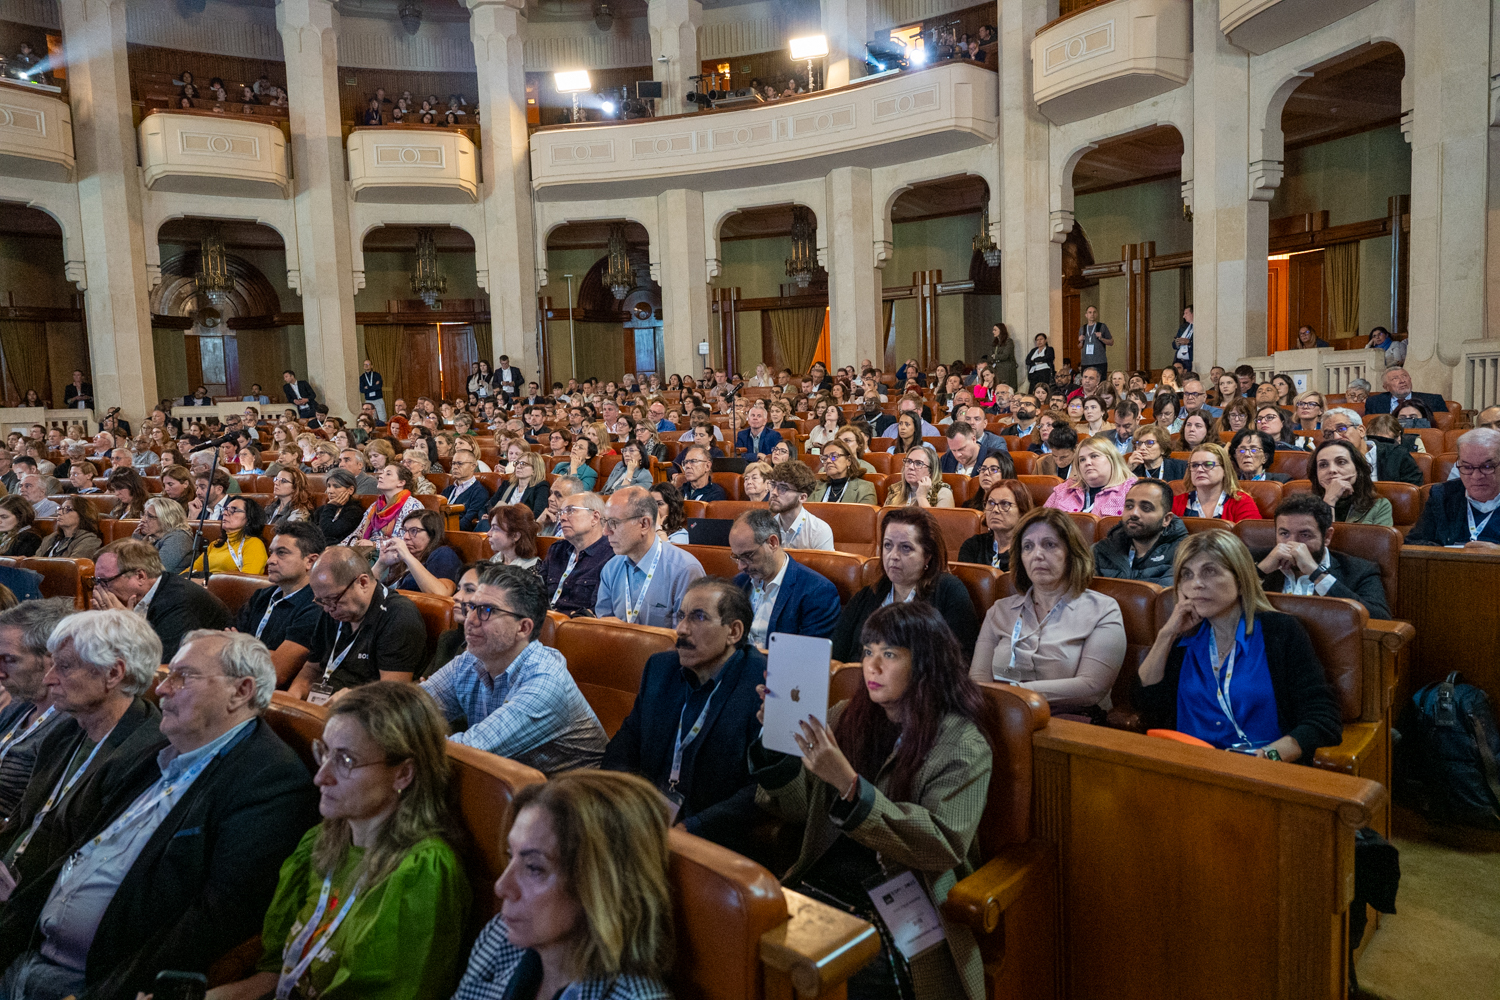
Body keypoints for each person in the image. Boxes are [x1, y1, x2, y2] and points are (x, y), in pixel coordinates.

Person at [0, 628, 320, 1000]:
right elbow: (76, 849)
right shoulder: (154, 753)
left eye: (182, 677)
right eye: (169, 676)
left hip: (96, 982)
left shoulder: (269, 781)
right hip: (31, 951)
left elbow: (213, 922)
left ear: (241, 691)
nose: (164, 689)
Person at [751, 601, 991, 1000]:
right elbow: (795, 809)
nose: (872, 666)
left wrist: (850, 786)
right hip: (828, 878)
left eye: (890, 654)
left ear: (926, 663)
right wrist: (774, 745)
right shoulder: (846, 715)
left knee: (850, 972)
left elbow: (941, 845)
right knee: (760, 946)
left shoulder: (962, 743)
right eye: (867, 651)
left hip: (910, 892)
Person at [216, 682, 470, 1000]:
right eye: (324, 752)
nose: (321, 776)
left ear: (403, 773)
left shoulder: (422, 872)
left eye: (346, 761)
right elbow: (276, 976)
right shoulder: (324, 841)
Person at [450, 770, 673, 1000]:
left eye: (534, 868)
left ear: (601, 886)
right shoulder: (500, 937)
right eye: (510, 856)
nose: (502, 887)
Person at [603, 574, 775, 861]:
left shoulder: (764, 686)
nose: (681, 629)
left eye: (698, 617)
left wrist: (690, 829)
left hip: (714, 839)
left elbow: (763, 791)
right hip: (644, 818)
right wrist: (631, 807)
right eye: (680, 616)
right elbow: (624, 745)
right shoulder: (660, 669)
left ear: (733, 632)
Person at [1134, 531, 1342, 759]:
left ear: (1241, 581)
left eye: (1209, 571)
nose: (1196, 584)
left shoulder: (1281, 632)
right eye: (1187, 575)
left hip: (1260, 772)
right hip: (1191, 766)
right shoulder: (1183, 638)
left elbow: (1323, 719)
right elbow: (1147, 704)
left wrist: (1267, 757)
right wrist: (1166, 635)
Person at [422, 564, 606, 772]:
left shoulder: (545, 681)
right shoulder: (470, 660)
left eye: (486, 611)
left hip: (572, 798)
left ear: (523, 627)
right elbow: (409, 710)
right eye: (472, 607)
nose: (470, 620)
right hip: (512, 789)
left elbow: (468, 753)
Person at [971, 507, 1126, 718]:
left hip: (1071, 724)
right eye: (1028, 547)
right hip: (1000, 718)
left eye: (1049, 545)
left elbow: (1092, 688)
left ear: (1071, 554)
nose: (1037, 555)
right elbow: (978, 680)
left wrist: (1017, 693)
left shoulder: (1103, 610)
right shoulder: (999, 610)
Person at [830, 507, 978, 661]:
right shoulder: (868, 595)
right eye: (888, 545)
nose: (893, 556)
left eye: (905, 548)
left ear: (927, 556)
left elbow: (960, 661)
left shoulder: (949, 591)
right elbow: (835, 656)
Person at [289, 546, 426, 703]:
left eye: (333, 599)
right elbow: (312, 668)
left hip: (366, 712)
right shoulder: (331, 608)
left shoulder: (399, 616)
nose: (327, 609)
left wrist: (352, 699)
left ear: (362, 582)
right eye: (321, 601)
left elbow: (392, 694)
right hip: (323, 706)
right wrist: (293, 697)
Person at [90, 539, 233, 659]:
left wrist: (125, 625)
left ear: (140, 576)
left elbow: (163, 661)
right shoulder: (132, 599)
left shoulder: (178, 600)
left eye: (105, 581)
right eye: (96, 581)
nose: (99, 589)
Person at [1255, 494, 1390, 620]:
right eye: (1284, 534)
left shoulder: (1359, 571)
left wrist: (1316, 573)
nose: (1293, 543)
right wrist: (1260, 571)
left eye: (1305, 535)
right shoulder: (1257, 559)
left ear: (1327, 537)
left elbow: (1380, 619)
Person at [0, 600, 73, 822]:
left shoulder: (70, 725)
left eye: (9, 660)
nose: (0, 673)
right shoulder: (18, 708)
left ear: (53, 659)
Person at [594, 487, 705, 628]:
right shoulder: (611, 568)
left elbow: (689, 637)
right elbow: (603, 628)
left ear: (644, 524)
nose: (605, 532)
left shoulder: (685, 571)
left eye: (614, 523)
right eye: (605, 522)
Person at [729, 509, 841, 646]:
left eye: (747, 556)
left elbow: (808, 657)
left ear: (773, 542)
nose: (741, 566)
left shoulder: (817, 592)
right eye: (736, 557)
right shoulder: (738, 583)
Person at [236, 520, 326, 687]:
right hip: (238, 684)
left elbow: (276, 673)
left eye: (282, 553)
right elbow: (225, 647)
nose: (270, 560)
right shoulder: (261, 596)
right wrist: (265, 654)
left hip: (273, 697)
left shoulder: (317, 606)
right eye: (271, 553)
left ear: (311, 561)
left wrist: (239, 650)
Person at [1406, 428, 1500, 547]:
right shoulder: (1442, 495)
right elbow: (1413, 544)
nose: (1476, 476)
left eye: (1487, 466)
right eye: (1467, 467)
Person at [1092, 479, 1187, 585]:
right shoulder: (1101, 550)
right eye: (1129, 506)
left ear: (1166, 519)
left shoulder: (1183, 554)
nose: (1134, 513)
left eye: (1146, 508)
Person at [540, 490, 614, 615]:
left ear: (595, 517)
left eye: (570, 511)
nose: (562, 518)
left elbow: (597, 611)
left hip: (577, 628)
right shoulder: (556, 549)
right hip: (543, 622)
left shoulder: (611, 556)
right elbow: (535, 591)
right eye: (561, 513)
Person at [1321, 407, 1423, 486]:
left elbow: (1411, 497)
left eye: (1342, 428)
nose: (1336, 437)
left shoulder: (1397, 455)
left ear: (1361, 431)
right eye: (1328, 434)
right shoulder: (1324, 464)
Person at [376, 508, 463, 597]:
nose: (406, 537)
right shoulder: (404, 559)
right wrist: (381, 563)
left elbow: (441, 593)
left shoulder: (444, 553)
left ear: (432, 534)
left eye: (414, 531)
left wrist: (407, 556)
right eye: (405, 531)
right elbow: (365, 589)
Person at [1308, 439, 1393, 526]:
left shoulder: (1379, 506)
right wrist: (1329, 501)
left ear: (1357, 469)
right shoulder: (1303, 507)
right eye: (1323, 465)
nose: (1332, 470)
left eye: (1341, 462)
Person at [1043, 435, 1137, 515]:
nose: (1087, 463)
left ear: (1112, 459)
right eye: (1082, 459)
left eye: (1094, 456)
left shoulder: (1131, 490)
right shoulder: (1064, 489)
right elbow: (1043, 522)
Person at [957, 478, 1033, 569]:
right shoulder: (973, 546)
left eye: (1005, 504)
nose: (995, 510)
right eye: (991, 503)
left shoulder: (1030, 550)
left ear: (1022, 511)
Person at [345, 463, 425, 548]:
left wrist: (375, 545)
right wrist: (341, 547)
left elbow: (407, 540)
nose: (381, 476)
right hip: (369, 550)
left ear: (401, 482)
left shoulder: (412, 505)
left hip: (395, 555)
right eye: (382, 473)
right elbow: (358, 532)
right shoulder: (375, 506)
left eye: (388, 474)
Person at [764, 461, 834, 550]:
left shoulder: (819, 531)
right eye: (773, 485)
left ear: (802, 497)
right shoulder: (765, 528)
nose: (774, 492)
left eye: (783, 488)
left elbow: (824, 564)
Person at [191, 495, 269, 575]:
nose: (225, 513)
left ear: (249, 519)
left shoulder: (254, 544)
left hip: (228, 586)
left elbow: (247, 581)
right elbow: (190, 572)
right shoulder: (214, 544)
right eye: (225, 509)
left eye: (233, 510)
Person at [134, 497, 195, 574]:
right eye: (143, 514)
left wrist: (137, 545)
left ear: (167, 520)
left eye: (150, 516)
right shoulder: (153, 538)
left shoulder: (178, 539)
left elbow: (154, 571)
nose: (142, 520)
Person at [884, 444, 955, 508]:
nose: (911, 467)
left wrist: (922, 498)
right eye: (909, 461)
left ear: (931, 471)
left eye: (918, 463)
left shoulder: (942, 492)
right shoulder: (895, 490)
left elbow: (939, 522)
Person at [808, 440, 876, 504]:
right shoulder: (815, 487)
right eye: (825, 458)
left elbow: (865, 515)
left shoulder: (865, 488)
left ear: (848, 461)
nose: (828, 461)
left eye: (834, 456)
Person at [1365, 366, 1446, 416]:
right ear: (1386, 387)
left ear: (1410, 380)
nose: (1402, 381)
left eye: (1404, 376)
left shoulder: (1434, 400)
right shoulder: (1374, 402)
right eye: (1395, 378)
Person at [313, 469, 365, 545]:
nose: (330, 491)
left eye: (336, 486)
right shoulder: (322, 509)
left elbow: (328, 532)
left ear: (350, 490)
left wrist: (331, 506)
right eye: (328, 486)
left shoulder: (354, 511)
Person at [486, 503, 542, 572]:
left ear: (515, 536)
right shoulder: (494, 560)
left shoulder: (531, 568)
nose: (488, 533)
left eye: (495, 528)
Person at [1077, 305, 1113, 375]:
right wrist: (1080, 341)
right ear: (1086, 315)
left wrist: (1101, 338)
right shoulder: (1083, 328)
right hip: (1086, 362)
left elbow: (1111, 342)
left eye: (1094, 312)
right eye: (1090, 312)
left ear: (1096, 314)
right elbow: (1079, 346)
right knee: (1087, 382)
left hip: (1100, 361)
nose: (1092, 314)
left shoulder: (1102, 326)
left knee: (1100, 382)